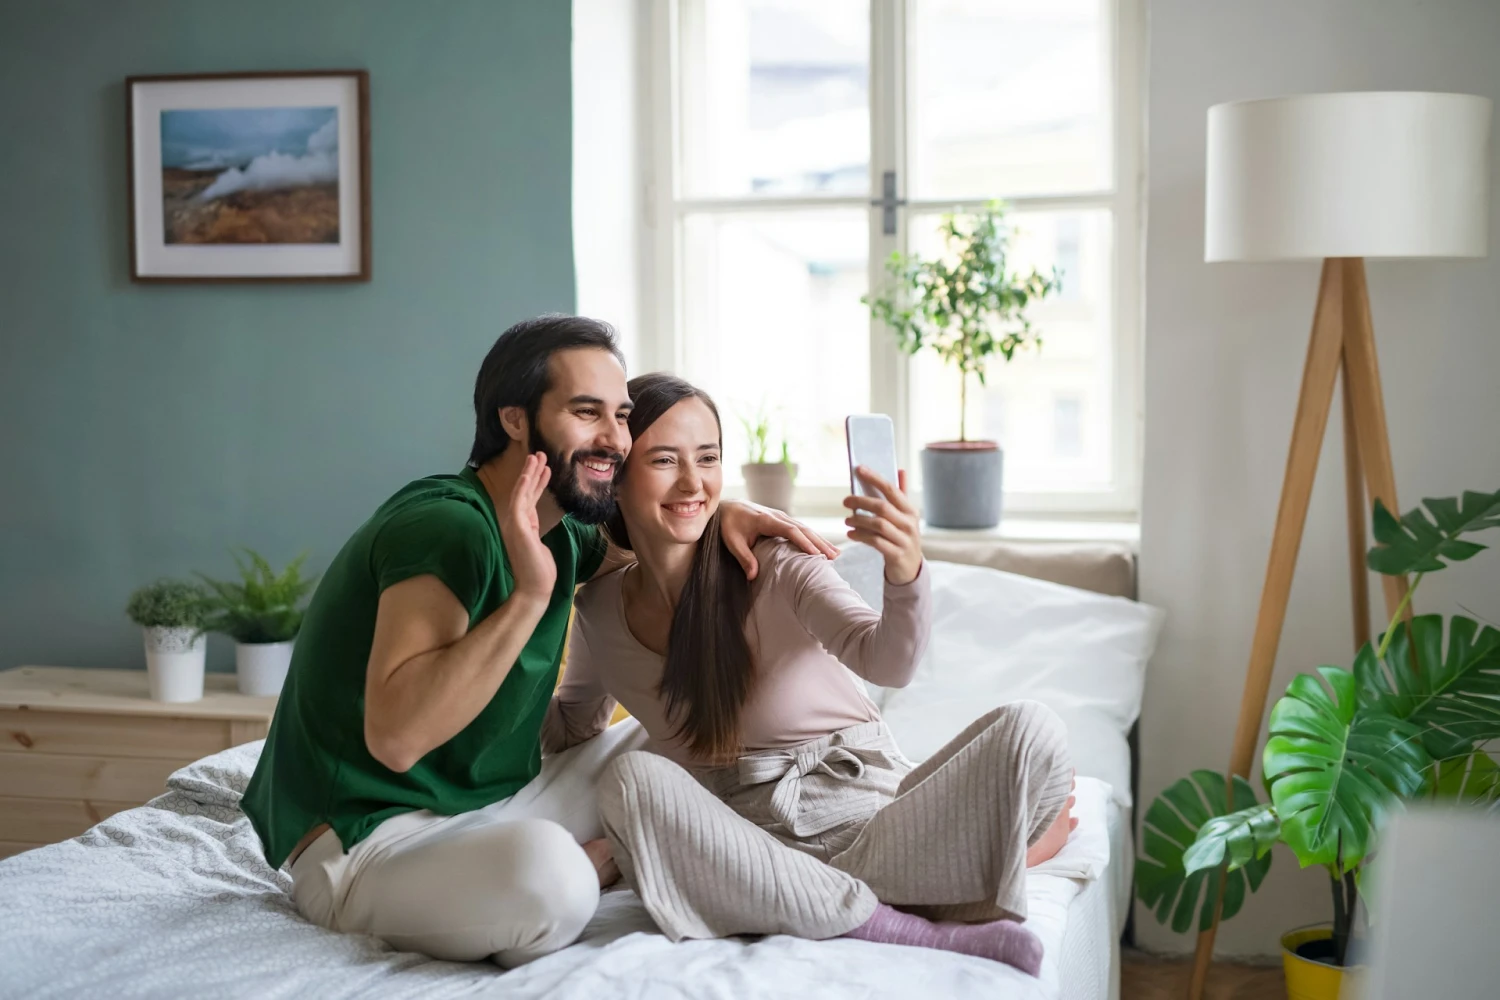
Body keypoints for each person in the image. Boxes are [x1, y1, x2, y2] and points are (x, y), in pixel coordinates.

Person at [241, 316, 837, 968]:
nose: (614, 439)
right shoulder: (444, 526)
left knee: (681, 730)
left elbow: (654, 535)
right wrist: (529, 595)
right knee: (554, 880)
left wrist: (722, 511)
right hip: (370, 844)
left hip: (497, 805)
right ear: (516, 420)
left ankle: (638, 858)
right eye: (587, 414)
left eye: (621, 416)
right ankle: (597, 867)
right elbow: (397, 737)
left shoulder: (565, 529)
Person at [543, 373, 1077, 976]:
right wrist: (517, 611)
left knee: (1034, 730)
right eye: (665, 460)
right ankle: (913, 918)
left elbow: (887, 661)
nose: (694, 483)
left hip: (873, 825)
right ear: (615, 474)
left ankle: (831, 897)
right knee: (631, 779)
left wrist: (905, 568)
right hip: (749, 845)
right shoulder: (597, 610)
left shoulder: (776, 564)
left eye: (709, 458)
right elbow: (570, 725)